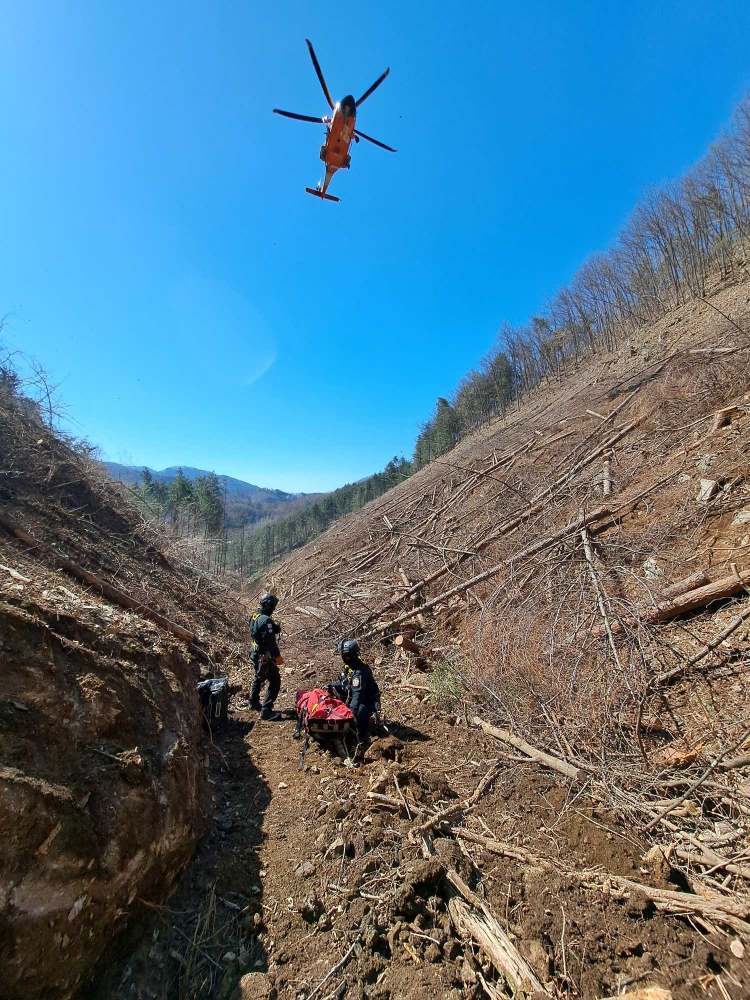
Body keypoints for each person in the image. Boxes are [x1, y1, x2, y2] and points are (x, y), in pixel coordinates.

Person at [329, 639, 380, 744]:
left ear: (347, 655)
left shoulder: (358, 672)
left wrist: (351, 712)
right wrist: (332, 686)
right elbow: (345, 682)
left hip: (367, 701)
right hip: (356, 695)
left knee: (355, 719)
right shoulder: (351, 665)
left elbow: (358, 695)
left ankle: (361, 738)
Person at [249, 593, 283, 721]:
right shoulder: (266, 620)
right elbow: (271, 643)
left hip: (254, 653)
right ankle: (266, 711)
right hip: (264, 657)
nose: (273, 609)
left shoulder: (254, 616)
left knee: (259, 676)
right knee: (275, 681)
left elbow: (257, 631)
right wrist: (277, 656)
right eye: (273, 606)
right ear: (268, 606)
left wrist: (272, 628)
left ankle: (253, 702)